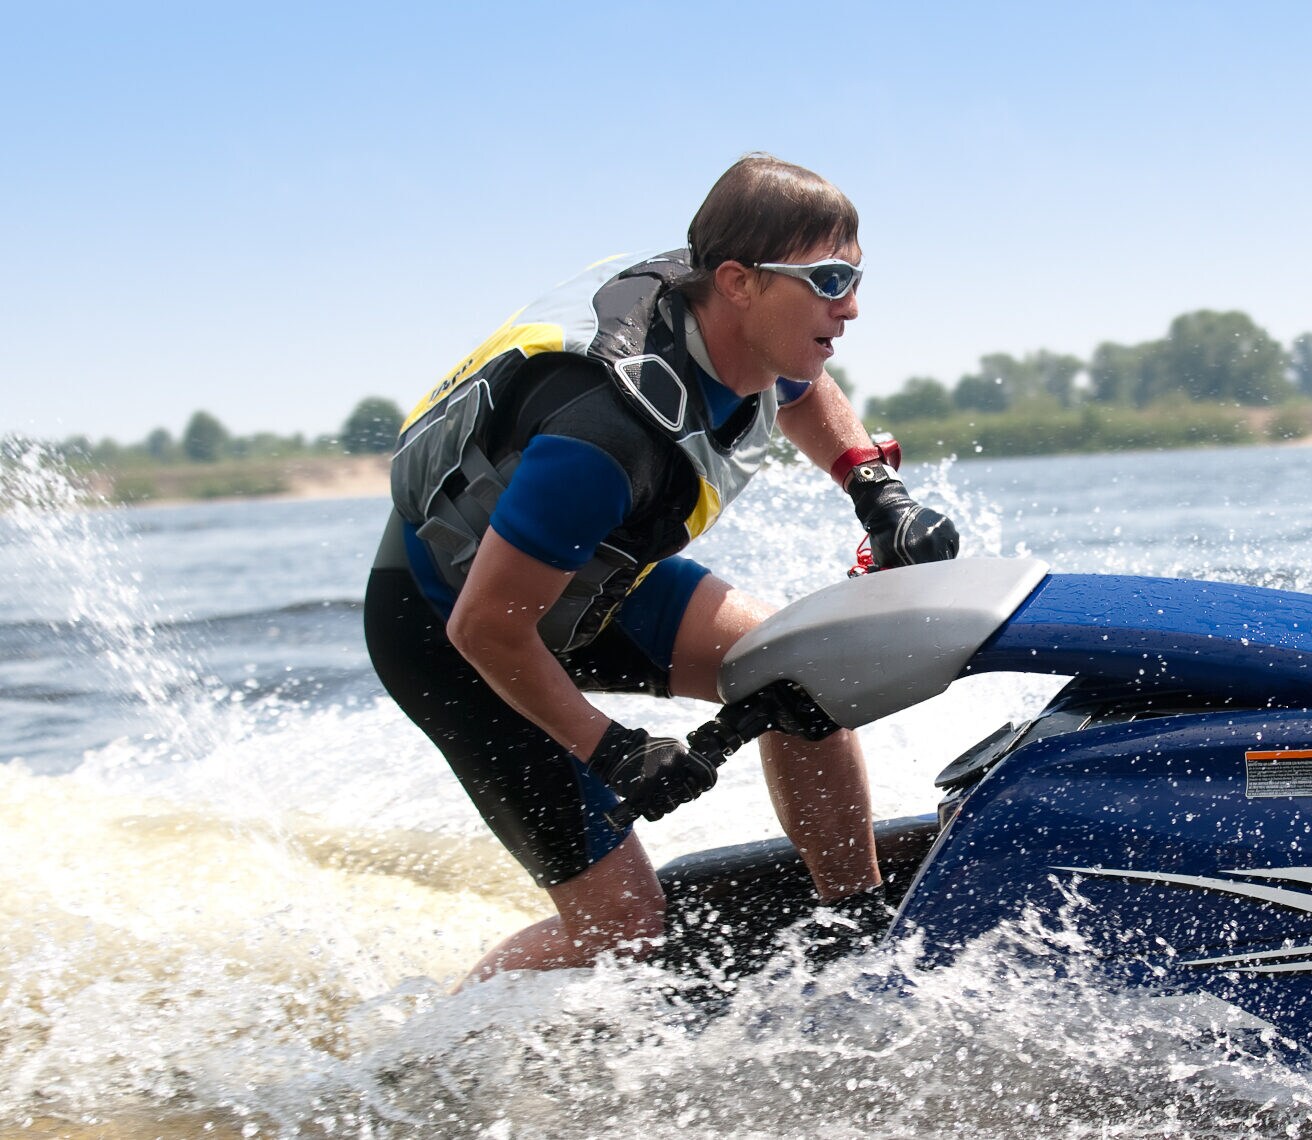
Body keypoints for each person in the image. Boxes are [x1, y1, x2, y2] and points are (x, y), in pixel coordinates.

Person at [363, 154, 958, 983]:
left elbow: (800, 386)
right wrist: (612, 750)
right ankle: (446, 1046)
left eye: (855, 279)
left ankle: (855, 935)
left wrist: (874, 490)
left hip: (587, 588)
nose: (850, 306)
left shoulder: (739, 322)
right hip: (452, 633)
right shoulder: (604, 440)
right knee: (622, 930)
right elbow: (486, 628)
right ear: (738, 281)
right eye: (828, 281)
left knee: (801, 676)